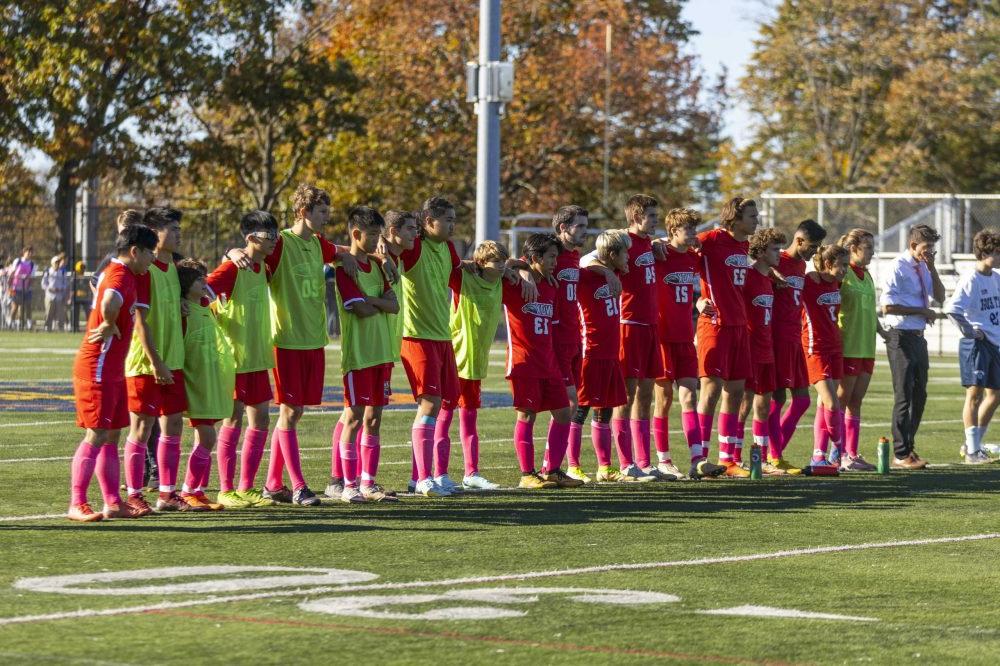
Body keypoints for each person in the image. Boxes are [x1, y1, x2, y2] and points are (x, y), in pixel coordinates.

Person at [250, 184, 363, 506]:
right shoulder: (280, 242)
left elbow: (338, 250)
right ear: (303, 212)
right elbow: (249, 254)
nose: (327, 218)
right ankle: (298, 486)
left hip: (314, 340)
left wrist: (348, 256)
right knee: (290, 411)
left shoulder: (317, 244)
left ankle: (273, 483)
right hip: (286, 339)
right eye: (322, 212)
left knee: (294, 413)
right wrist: (233, 253)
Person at [68, 224, 157, 522]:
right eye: (149, 252)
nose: (152, 258)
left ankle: (112, 502)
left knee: (111, 435)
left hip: (113, 369)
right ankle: (77, 502)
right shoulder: (120, 274)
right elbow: (110, 301)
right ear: (135, 251)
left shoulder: (129, 274)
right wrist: (107, 321)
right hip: (98, 367)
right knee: (97, 434)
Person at [329, 206, 400, 503]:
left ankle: (369, 482)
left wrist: (373, 301)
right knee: (354, 418)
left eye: (378, 235)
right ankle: (348, 485)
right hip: (359, 356)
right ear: (356, 234)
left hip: (382, 354)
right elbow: (359, 309)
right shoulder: (345, 269)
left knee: (374, 420)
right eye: (372, 235)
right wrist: (376, 302)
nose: (376, 241)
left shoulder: (378, 265)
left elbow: (393, 305)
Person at [210, 211, 280, 509]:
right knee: (233, 419)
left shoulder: (263, 265)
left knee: (261, 420)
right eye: (269, 238)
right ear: (250, 238)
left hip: (257, 357)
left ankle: (248, 487)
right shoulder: (231, 268)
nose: (275, 242)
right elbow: (200, 293)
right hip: (235, 360)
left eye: (276, 237)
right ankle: (226, 489)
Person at [502, 233, 582, 489]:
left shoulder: (552, 284)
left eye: (557, 257)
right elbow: (496, 266)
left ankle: (553, 470)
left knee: (563, 412)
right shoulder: (514, 282)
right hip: (524, 361)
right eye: (550, 257)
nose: (555, 262)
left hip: (549, 361)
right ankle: (527, 474)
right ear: (535, 258)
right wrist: (522, 268)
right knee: (526, 416)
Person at [123, 207, 190, 512]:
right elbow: (140, 321)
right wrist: (156, 362)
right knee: (142, 428)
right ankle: (135, 495)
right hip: (146, 362)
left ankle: (166, 493)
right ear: (155, 232)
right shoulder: (144, 270)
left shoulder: (175, 268)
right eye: (172, 228)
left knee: (173, 424)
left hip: (172, 359)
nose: (178, 234)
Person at [653, 208, 725, 480]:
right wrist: (652, 244)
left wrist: (699, 302)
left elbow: (691, 292)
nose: (695, 235)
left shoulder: (693, 260)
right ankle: (664, 459)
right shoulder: (658, 254)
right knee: (664, 399)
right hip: (661, 337)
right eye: (690, 230)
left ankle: (697, 459)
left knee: (689, 396)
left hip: (685, 337)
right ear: (673, 232)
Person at [694, 197, 758, 478]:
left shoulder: (744, 245)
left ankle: (728, 460)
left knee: (735, 392)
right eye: (752, 215)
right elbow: (677, 252)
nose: (757, 219)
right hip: (715, 325)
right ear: (735, 217)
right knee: (710, 392)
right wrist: (697, 300)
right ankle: (700, 458)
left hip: (739, 326)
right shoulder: (709, 239)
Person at [439, 240, 509, 490]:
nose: (502, 266)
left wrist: (519, 272)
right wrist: (465, 264)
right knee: (444, 417)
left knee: (470, 418)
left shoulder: (502, 280)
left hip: (476, 363)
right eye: (497, 262)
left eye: (504, 261)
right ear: (481, 263)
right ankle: (439, 473)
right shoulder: (463, 279)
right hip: (455, 359)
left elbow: (524, 265)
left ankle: (471, 473)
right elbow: (445, 265)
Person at [880, 223, 945, 469]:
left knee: (920, 394)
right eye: (926, 249)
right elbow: (887, 307)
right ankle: (900, 453)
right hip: (900, 336)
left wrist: (933, 267)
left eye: (933, 250)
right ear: (913, 245)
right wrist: (921, 310)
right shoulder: (898, 267)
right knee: (904, 395)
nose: (929, 253)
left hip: (918, 337)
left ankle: (910, 447)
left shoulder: (925, 267)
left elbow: (939, 297)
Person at [574, 230, 635, 482]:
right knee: (581, 409)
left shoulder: (619, 271)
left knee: (606, 409)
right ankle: (573, 466)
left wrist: (611, 270)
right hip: (590, 351)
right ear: (611, 255)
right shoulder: (587, 274)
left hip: (611, 351)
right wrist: (606, 270)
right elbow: (585, 259)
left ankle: (604, 467)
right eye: (624, 253)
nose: (628, 257)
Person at [769, 219, 827, 474]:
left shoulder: (802, 266)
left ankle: (773, 453)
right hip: (777, 337)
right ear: (799, 240)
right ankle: (773, 456)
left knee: (802, 400)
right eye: (813, 246)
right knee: (779, 397)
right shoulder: (776, 260)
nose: (814, 252)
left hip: (796, 338)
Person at [176, 259, 232, 511]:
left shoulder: (205, 307)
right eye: (199, 279)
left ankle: (197, 490)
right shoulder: (184, 311)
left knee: (207, 436)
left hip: (209, 380)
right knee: (208, 436)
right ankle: (188, 489)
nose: (205, 282)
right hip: (194, 383)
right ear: (187, 286)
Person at [945, 230, 1000, 464]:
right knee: (974, 394)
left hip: (995, 343)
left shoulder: (996, 278)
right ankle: (972, 452)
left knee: (995, 395)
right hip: (977, 344)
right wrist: (970, 331)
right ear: (985, 252)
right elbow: (952, 309)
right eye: (997, 252)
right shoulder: (971, 278)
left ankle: (974, 445)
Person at [738, 227, 787, 475]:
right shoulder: (746, 276)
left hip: (767, 348)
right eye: (775, 249)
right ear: (760, 251)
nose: (779, 254)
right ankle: (733, 458)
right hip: (748, 348)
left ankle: (762, 458)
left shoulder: (770, 278)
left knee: (764, 405)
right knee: (743, 404)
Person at [801, 244, 850, 472]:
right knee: (831, 402)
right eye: (842, 265)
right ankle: (838, 448)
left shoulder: (835, 282)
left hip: (835, 346)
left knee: (825, 404)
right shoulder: (809, 281)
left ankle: (819, 454)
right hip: (815, 347)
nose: (845, 270)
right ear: (829, 264)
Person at [836, 229, 880, 472]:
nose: (872, 252)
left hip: (867, 348)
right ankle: (838, 452)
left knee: (856, 401)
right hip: (848, 346)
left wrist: (882, 331)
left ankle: (852, 453)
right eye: (869, 247)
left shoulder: (868, 275)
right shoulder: (844, 274)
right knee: (841, 400)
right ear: (854, 248)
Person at [42, 253, 72, 331]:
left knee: (60, 314)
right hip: (50, 296)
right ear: (52, 263)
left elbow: (65, 284)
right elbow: (43, 284)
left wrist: (60, 288)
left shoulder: (62, 272)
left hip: (59, 296)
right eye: (55, 262)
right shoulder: (48, 272)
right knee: (49, 313)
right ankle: (47, 328)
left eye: (58, 262)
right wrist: (50, 288)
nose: (57, 264)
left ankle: (60, 328)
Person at [8, 246, 35, 330]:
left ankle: (29, 324)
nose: (30, 254)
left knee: (28, 306)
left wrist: (29, 284)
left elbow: (32, 277)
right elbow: (12, 273)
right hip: (15, 288)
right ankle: (11, 322)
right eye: (28, 252)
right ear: (24, 253)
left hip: (26, 289)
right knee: (15, 306)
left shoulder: (32, 264)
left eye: (31, 252)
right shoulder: (18, 261)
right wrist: (9, 286)